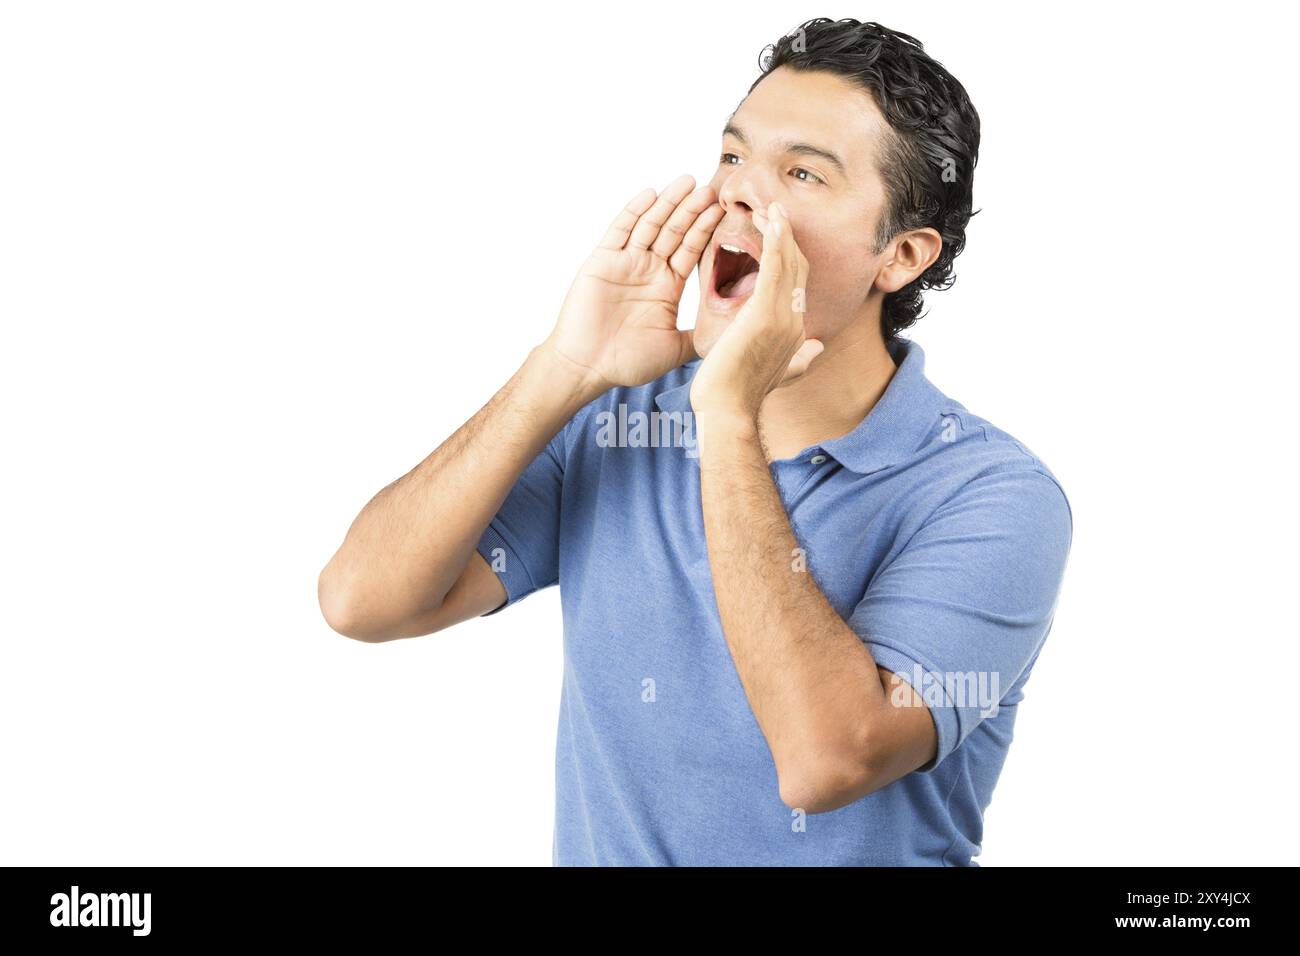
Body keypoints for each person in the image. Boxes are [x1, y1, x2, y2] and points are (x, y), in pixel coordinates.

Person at [318, 18, 1073, 866]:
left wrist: (727, 418)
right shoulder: (620, 420)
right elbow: (362, 602)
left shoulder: (995, 497)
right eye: (733, 156)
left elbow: (825, 761)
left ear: (899, 256)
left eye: (800, 172)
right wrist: (564, 368)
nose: (739, 194)